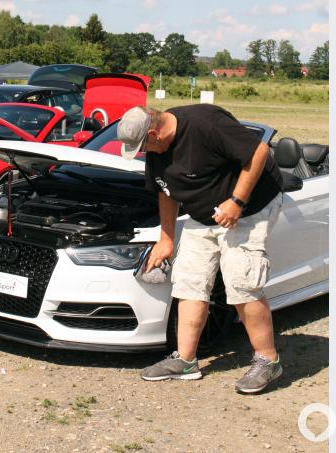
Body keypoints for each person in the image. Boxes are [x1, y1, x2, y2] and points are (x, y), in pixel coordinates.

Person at [117, 105, 285, 393]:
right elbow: (165, 191)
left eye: (143, 146)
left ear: (154, 133)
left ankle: (268, 360)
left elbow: (258, 152)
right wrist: (166, 238)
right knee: (189, 281)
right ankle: (185, 361)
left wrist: (237, 201)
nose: (143, 152)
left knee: (241, 281)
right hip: (203, 213)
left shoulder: (205, 124)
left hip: (249, 208)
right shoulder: (159, 150)